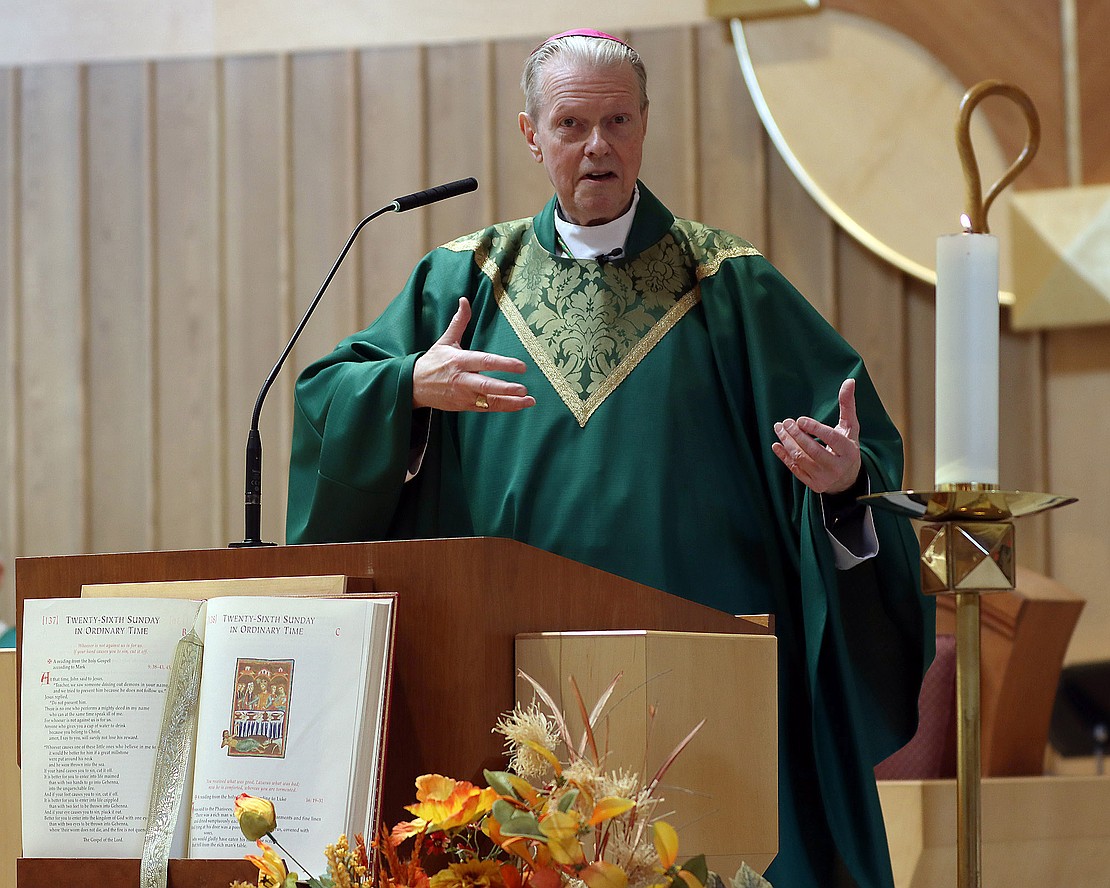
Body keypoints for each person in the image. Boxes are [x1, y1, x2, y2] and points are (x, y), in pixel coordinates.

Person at [287, 29, 933, 888]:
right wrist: (406, 385)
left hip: (699, 683)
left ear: (644, 125)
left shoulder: (728, 284)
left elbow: (856, 448)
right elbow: (324, 399)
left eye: (618, 120)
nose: (599, 146)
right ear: (530, 134)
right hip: (505, 674)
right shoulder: (465, 278)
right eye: (572, 124)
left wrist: (844, 483)